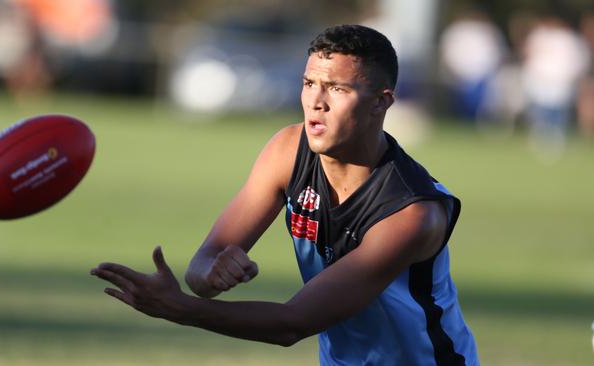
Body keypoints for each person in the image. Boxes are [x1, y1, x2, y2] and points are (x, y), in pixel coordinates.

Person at [91, 24, 479, 366]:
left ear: (382, 101)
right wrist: (212, 274)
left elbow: (292, 324)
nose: (316, 101)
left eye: (337, 88)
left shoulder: (412, 212)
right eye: (310, 83)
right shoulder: (287, 150)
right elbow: (202, 268)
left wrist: (179, 309)